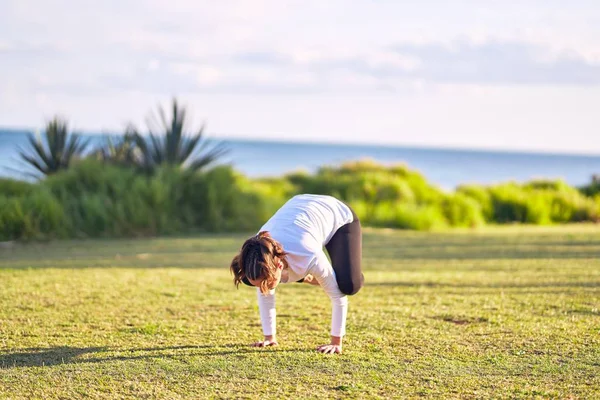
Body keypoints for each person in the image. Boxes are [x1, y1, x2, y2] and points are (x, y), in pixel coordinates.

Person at [229, 194, 364, 354]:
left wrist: (336, 342)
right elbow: (266, 295)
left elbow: (337, 297)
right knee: (249, 279)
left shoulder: (308, 253)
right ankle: (302, 276)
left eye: (268, 285)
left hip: (338, 215)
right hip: (300, 211)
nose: (264, 290)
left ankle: (336, 272)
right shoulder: (256, 252)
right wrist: (269, 338)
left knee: (347, 285)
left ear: (279, 265)